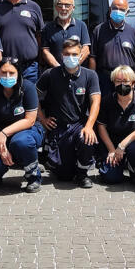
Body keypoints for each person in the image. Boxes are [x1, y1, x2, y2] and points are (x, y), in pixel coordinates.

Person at [36, 37, 101, 187]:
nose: (70, 57)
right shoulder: (50, 74)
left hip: (79, 124)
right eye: (66, 54)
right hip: (58, 127)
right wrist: (42, 119)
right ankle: (65, 166)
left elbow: (96, 102)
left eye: (74, 54)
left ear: (80, 55)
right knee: (64, 176)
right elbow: (34, 97)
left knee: (87, 138)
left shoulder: (90, 75)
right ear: (61, 55)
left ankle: (82, 174)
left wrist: (89, 126)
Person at [0, 59, 44, 192]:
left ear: (19, 73)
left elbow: (30, 120)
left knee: (21, 142)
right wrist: (1, 147)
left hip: (26, 132)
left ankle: (33, 176)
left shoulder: (28, 88)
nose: (7, 76)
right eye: (3, 73)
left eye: (12, 73)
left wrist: (4, 133)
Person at [94, 65, 135, 184]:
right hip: (112, 144)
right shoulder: (107, 101)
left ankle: (134, 169)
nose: (121, 84)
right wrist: (112, 150)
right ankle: (114, 166)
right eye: (118, 81)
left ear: (133, 83)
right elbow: (101, 127)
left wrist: (122, 145)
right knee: (111, 178)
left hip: (133, 143)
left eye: (125, 81)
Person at [90, 0, 135, 95]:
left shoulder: (133, 33)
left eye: (122, 10)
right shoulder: (98, 30)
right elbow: (93, 59)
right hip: (105, 81)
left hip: (127, 79)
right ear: (110, 10)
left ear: (127, 12)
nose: (118, 11)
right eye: (115, 8)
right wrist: (92, 84)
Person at [40, 0, 91, 69]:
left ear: (73, 8)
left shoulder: (81, 25)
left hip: (77, 71)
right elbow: (45, 51)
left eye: (67, 5)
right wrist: (59, 68)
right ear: (56, 7)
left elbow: (86, 50)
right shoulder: (48, 27)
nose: (63, 8)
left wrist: (74, 66)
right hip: (55, 71)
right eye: (60, 5)